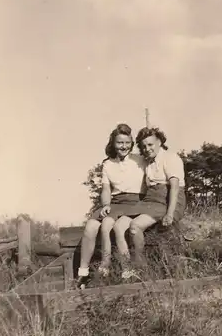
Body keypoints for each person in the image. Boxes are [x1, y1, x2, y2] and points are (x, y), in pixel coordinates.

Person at [75, 123, 146, 289]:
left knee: (107, 224)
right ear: (113, 143)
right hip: (115, 203)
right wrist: (106, 204)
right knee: (91, 226)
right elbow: (106, 189)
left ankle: (106, 267)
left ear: (132, 143)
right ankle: (83, 273)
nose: (124, 146)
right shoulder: (108, 164)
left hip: (135, 202)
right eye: (120, 143)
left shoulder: (140, 160)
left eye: (127, 142)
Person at [113, 126, 186, 273]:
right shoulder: (148, 162)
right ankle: (127, 270)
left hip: (168, 198)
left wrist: (170, 213)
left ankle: (140, 267)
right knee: (119, 225)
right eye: (144, 146)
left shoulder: (170, 158)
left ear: (159, 142)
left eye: (150, 144)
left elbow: (175, 188)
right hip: (150, 200)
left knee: (135, 226)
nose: (147, 149)